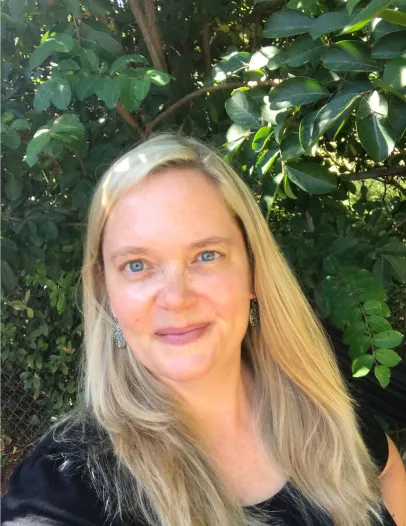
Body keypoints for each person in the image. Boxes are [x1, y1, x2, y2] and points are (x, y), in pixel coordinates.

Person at [2, 133, 405, 526]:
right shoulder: (64, 486)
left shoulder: (317, 407)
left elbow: (385, 470)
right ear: (106, 292)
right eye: (137, 265)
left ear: (252, 272)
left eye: (206, 256)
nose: (176, 297)